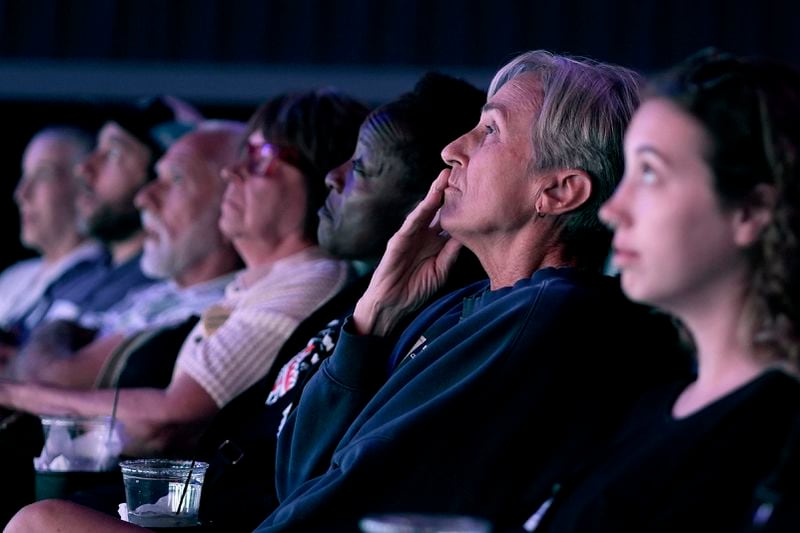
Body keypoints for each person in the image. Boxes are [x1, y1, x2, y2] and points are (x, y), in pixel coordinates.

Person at [0, 89, 368, 459]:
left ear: (327, 178)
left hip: (180, 498)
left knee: (38, 518)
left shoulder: (305, 281)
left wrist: (15, 389)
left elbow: (169, 420)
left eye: (262, 157)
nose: (233, 173)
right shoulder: (248, 289)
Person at [519, 51, 800, 532]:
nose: (613, 210)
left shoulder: (780, 445)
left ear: (751, 212)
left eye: (649, 172)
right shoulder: (651, 403)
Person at [196, 72, 486, 531]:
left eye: (362, 167)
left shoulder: (439, 321)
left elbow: (303, 483)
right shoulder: (356, 292)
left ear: (433, 202)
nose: (333, 175)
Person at [8, 121, 246, 389]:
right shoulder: (159, 294)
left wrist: (55, 329)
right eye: (158, 178)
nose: (145, 197)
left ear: (232, 206)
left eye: (176, 180)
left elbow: (50, 380)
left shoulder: (219, 314)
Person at [0, 127, 103, 364]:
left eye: (43, 175)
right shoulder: (13, 278)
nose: (21, 194)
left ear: (86, 184)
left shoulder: (101, 283)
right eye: (24, 176)